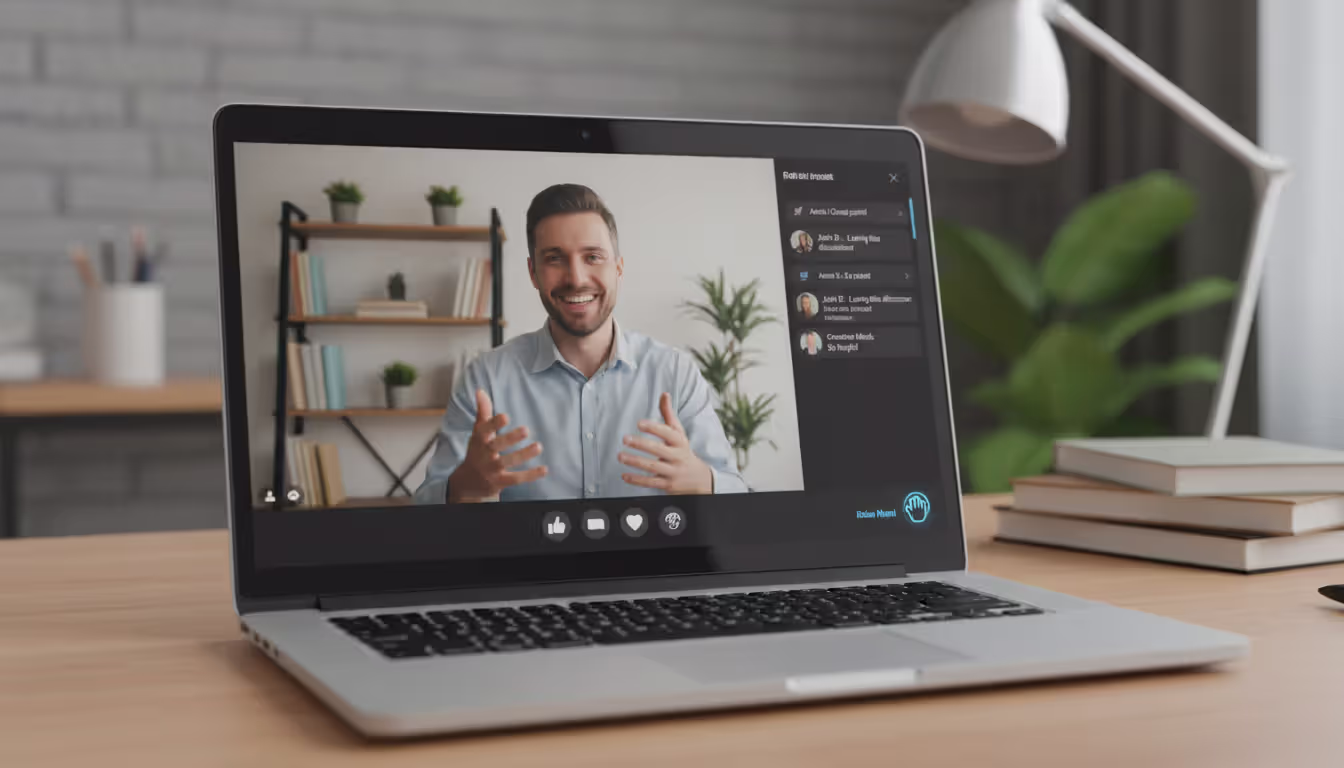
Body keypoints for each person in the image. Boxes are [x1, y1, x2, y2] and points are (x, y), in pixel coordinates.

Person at [415, 184, 748, 504]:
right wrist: (462, 487)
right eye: (555, 259)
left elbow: (738, 495)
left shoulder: (676, 374)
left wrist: (703, 481)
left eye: (592, 257)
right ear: (533, 273)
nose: (575, 278)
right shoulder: (485, 379)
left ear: (618, 267)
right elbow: (426, 507)